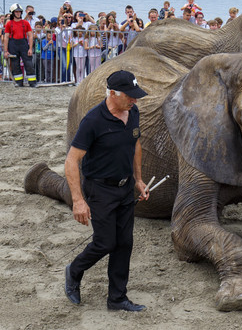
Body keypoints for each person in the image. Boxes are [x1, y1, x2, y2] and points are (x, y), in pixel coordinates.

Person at [64, 70, 150, 312]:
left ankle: (117, 298)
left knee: (125, 243)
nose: (134, 100)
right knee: (105, 242)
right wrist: (78, 200)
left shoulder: (133, 112)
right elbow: (72, 161)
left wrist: (139, 179)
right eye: (130, 96)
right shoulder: (93, 121)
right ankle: (74, 270)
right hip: (99, 189)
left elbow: (136, 144)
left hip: (124, 189)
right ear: (112, 93)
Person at [3, 4, 36, 87]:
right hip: (13, 45)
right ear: (13, 13)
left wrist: (30, 48)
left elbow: (30, 35)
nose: (18, 13)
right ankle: (19, 82)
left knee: (28, 64)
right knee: (15, 64)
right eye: (16, 12)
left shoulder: (25, 23)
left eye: (19, 12)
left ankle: (32, 82)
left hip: (24, 44)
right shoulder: (9, 24)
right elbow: (6, 37)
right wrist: (5, 51)